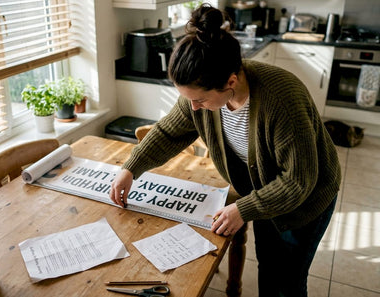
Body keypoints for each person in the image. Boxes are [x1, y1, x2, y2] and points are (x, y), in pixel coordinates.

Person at [110, 4, 341, 296]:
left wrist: (244, 208)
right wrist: (131, 167)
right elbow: (169, 131)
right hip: (265, 190)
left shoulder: (282, 100)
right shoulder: (201, 91)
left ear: (231, 81)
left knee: (287, 280)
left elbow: (298, 181)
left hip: (307, 198)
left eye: (200, 101)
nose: (193, 108)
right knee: (269, 267)